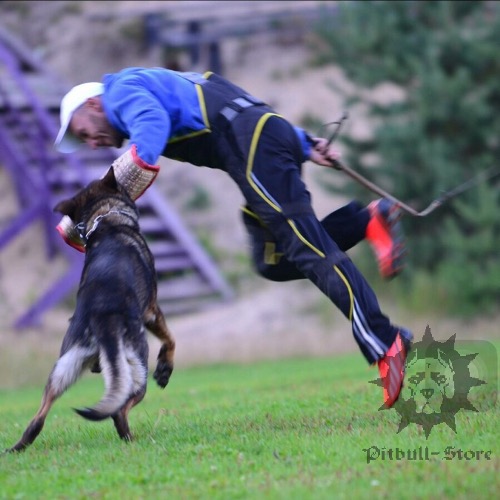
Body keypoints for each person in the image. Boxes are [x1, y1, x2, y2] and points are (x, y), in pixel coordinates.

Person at [54, 67, 412, 408]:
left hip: (253, 145)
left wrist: (118, 183)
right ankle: (368, 220)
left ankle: (385, 341)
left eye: (84, 132)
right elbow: (223, 94)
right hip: (263, 136)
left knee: (308, 249)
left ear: (93, 105)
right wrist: (302, 141)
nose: (93, 143)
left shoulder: (118, 93)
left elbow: (153, 125)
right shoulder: (145, 83)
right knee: (273, 260)